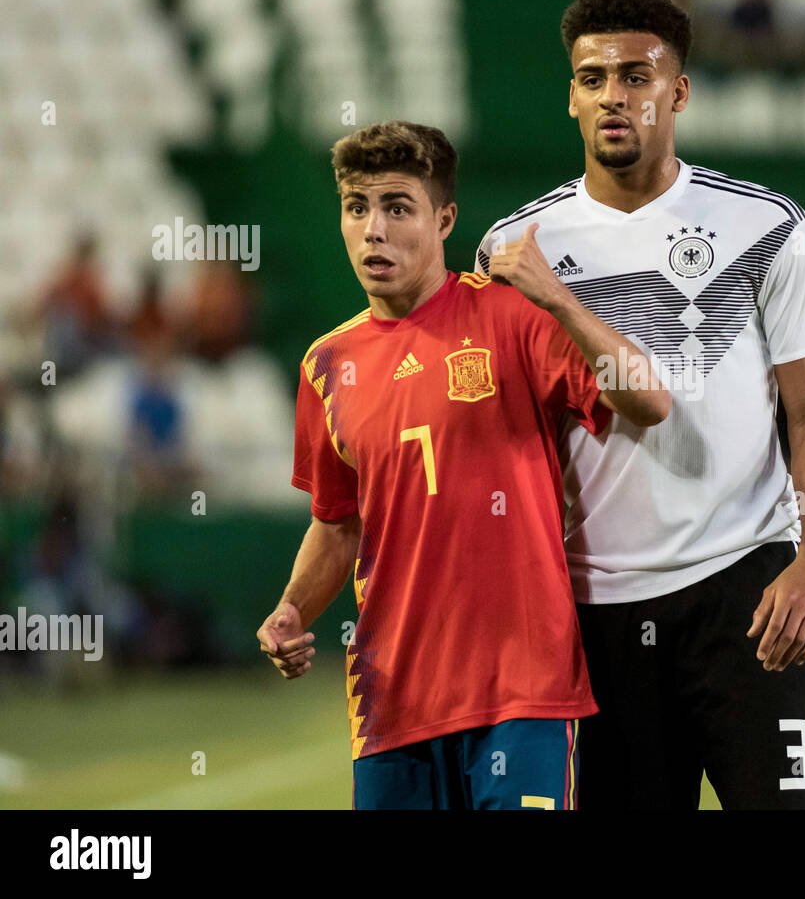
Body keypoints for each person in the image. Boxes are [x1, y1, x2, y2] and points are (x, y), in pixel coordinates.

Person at [476, 0, 805, 809]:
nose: (614, 95)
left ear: (676, 91)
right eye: (593, 77)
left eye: (637, 75)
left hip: (746, 591)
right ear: (571, 96)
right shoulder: (512, 249)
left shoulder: (768, 226)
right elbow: (508, 437)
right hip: (595, 608)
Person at [257, 120, 669, 810]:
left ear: (444, 218)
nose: (373, 231)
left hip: (524, 691)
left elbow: (649, 399)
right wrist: (293, 608)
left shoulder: (512, 316)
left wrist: (560, 299)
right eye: (356, 208)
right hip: (392, 704)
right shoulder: (327, 364)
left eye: (397, 208)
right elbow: (336, 527)